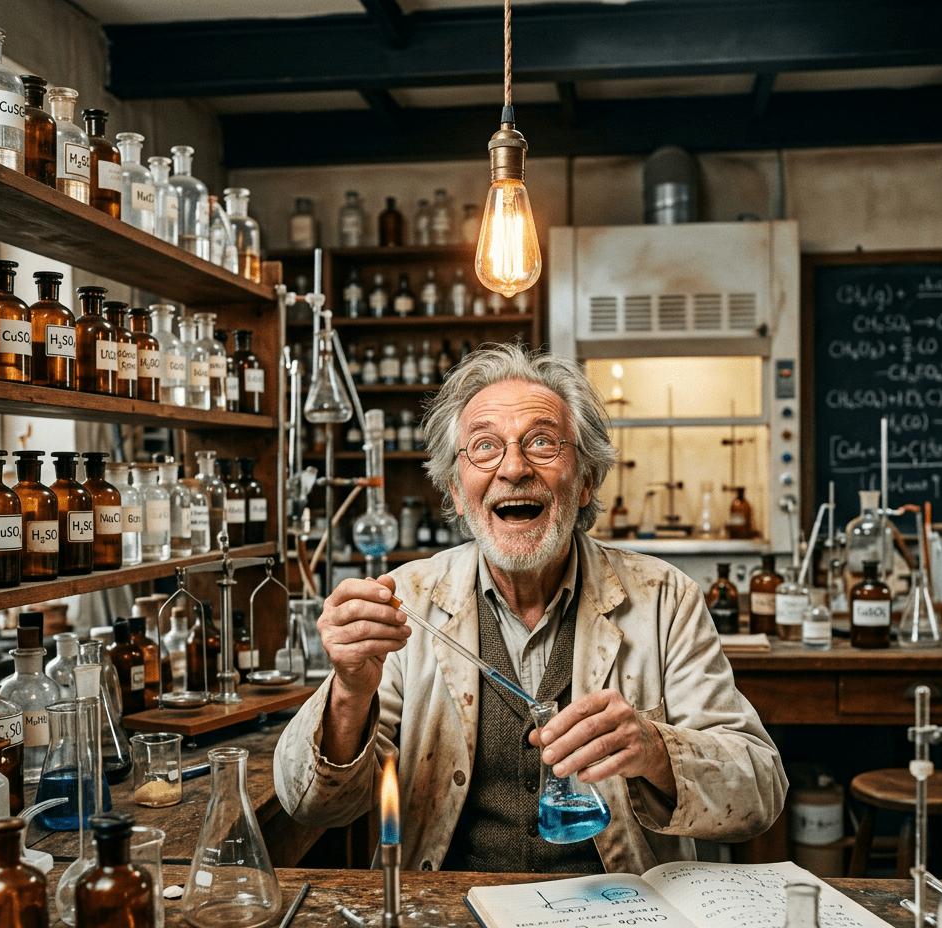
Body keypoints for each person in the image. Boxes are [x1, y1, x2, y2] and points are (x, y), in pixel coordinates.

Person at [275, 344, 786, 873]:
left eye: (541, 442)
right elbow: (311, 804)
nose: (514, 468)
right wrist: (350, 694)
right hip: (450, 916)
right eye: (485, 447)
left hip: (625, 918)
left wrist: (655, 749)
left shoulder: (664, 599)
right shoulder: (408, 603)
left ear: (585, 480)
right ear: (456, 486)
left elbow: (760, 789)